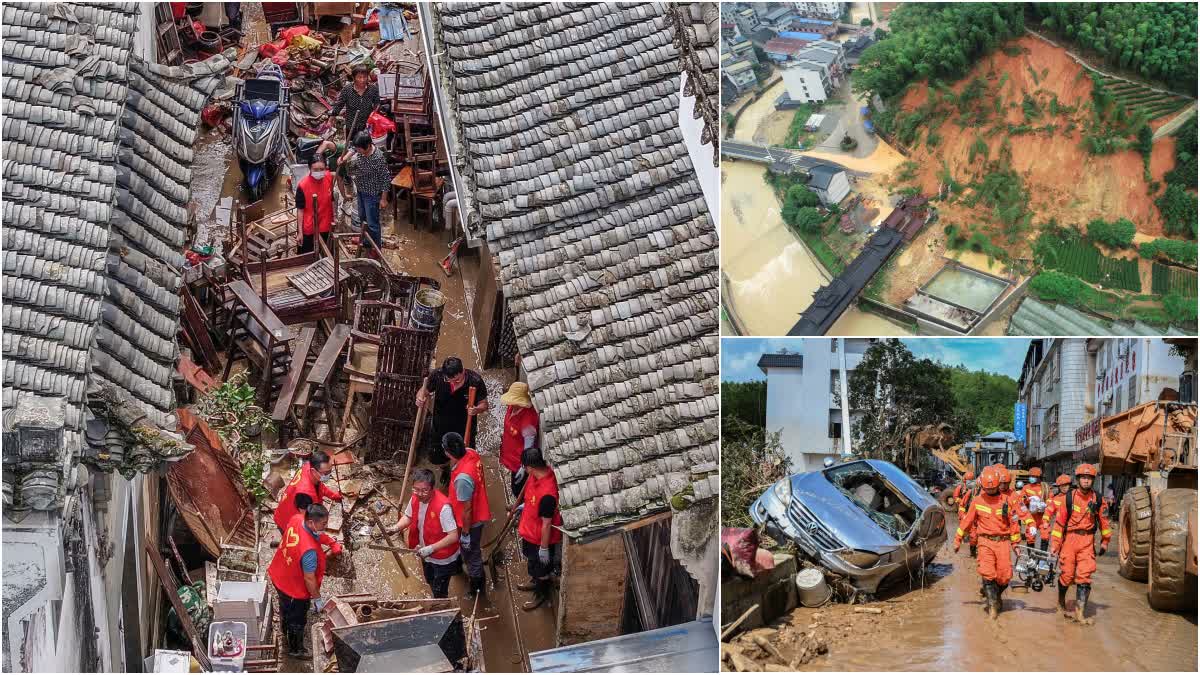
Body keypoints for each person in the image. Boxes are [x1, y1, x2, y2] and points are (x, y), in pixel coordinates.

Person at [267, 504, 343, 658]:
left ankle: (284, 628)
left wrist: (330, 541)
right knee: (297, 619)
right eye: (323, 524)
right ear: (311, 522)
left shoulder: (297, 519)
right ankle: (295, 650)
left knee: (285, 608)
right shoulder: (309, 552)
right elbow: (309, 579)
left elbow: (315, 535)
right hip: (292, 589)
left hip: (279, 572)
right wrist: (317, 599)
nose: (326, 526)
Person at [953, 466, 1021, 620]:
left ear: (998, 485)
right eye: (986, 489)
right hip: (985, 542)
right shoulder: (977, 501)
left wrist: (1016, 544)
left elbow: (1014, 523)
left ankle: (994, 596)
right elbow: (966, 522)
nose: (989, 492)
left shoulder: (1006, 501)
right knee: (988, 573)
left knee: (1005, 577)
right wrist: (957, 540)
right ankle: (992, 608)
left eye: (993, 489)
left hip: (1003, 542)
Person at [1050, 463, 1111, 624]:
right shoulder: (1068, 498)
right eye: (1083, 478)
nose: (1086, 481)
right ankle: (1061, 601)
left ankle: (1080, 613)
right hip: (1069, 540)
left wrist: (1105, 541)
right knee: (1067, 575)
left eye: (1089, 478)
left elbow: (1104, 523)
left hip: (1087, 541)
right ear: (1077, 480)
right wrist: (1055, 545)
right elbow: (1059, 524)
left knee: (1084, 576)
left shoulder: (1098, 499)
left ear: (1093, 480)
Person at [391, 468, 461, 598]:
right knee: (429, 579)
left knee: (440, 591)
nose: (420, 493)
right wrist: (396, 527)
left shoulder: (443, 507)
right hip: (425, 551)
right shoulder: (415, 498)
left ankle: (446, 612)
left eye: (424, 490)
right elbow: (408, 516)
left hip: (443, 557)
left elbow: (453, 535)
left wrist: (431, 548)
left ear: (432, 488)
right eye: (416, 489)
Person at [416, 357, 490, 470]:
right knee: (438, 457)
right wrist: (420, 398)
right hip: (440, 424)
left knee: (464, 457)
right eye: (449, 380)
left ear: (463, 371)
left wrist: (476, 409)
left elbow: (484, 404)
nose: (453, 383)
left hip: (464, 426)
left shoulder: (475, 381)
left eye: (457, 380)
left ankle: (458, 472)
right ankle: (445, 470)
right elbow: (423, 391)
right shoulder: (438, 375)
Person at [442, 432, 492, 599]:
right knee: (467, 550)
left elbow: (467, 510)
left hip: (471, 521)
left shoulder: (463, 479)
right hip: (475, 509)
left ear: (448, 453)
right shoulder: (471, 452)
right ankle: (459, 567)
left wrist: (465, 533)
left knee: (472, 554)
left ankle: (477, 589)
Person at [514, 446, 563, 611]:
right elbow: (530, 497)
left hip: (539, 538)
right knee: (532, 562)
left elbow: (547, 524)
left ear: (530, 467)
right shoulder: (534, 477)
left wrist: (544, 548)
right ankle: (534, 580)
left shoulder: (548, 494)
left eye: (524, 467)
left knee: (541, 568)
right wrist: (524, 505)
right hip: (529, 531)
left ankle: (540, 594)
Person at [343, 132, 392, 249]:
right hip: (360, 190)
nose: (358, 151)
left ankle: (376, 248)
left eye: (360, 150)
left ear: (368, 146)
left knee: (372, 223)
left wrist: (384, 199)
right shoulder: (361, 147)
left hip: (372, 194)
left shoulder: (378, 158)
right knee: (362, 218)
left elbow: (386, 179)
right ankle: (366, 241)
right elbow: (353, 148)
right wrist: (345, 158)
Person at [274, 451, 343, 533]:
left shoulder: (308, 467)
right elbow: (306, 520)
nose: (329, 475)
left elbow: (320, 486)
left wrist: (334, 495)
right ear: (314, 471)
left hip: (290, 505)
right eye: (326, 473)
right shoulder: (304, 494)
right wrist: (319, 534)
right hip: (287, 520)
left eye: (330, 471)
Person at [499, 381, 540, 497]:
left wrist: (523, 466)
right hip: (510, 455)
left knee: (518, 489)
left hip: (519, 461)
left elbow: (529, 447)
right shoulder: (512, 407)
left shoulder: (528, 420)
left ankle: (520, 509)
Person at [328, 64, 380, 142]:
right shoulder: (347, 89)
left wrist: (374, 115)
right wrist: (331, 119)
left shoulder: (373, 89)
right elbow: (339, 105)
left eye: (364, 77)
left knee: (364, 146)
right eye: (359, 77)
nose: (362, 80)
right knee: (352, 146)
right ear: (354, 78)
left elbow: (377, 104)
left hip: (366, 125)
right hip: (352, 125)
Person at [295, 157, 336, 254]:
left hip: (326, 223)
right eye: (316, 170)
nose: (319, 172)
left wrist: (335, 216)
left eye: (322, 169)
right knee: (307, 254)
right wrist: (300, 233)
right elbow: (300, 210)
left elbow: (332, 199)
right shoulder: (303, 186)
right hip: (310, 225)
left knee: (327, 252)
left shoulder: (328, 178)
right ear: (310, 169)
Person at [1020, 467, 1052, 549]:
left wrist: (1045, 504)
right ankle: (1031, 558)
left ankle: (1042, 558)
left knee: (1045, 534)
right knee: (1030, 535)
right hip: (1031, 516)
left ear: (1039, 477)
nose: (1031, 478)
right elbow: (1021, 501)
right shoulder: (1026, 487)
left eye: (1034, 476)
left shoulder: (1045, 487)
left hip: (1043, 516)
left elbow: (1051, 499)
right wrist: (1027, 499)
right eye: (1030, 476)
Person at [1041, 474, 1073, 551]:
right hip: (1059, 527)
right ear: (1059, 487)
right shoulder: (1056, 499)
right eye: (1062, 485)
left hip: (1073, 527)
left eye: (1066, 485)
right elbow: (1048, 511)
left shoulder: (1075, 497)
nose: (1064, 487)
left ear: (1069, 485)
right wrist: (1045, 521)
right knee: (1057, 550)